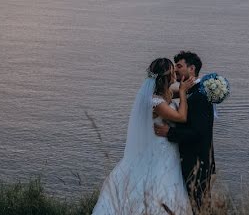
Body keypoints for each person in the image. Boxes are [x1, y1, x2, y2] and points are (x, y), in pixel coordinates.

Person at [92, 58, 196, 215]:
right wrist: (181, 92)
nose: (175, 73)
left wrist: (197, 83)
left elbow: (176, 93)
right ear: (165, 77)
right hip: (160, 150)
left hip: (166, 148)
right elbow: (181, 117)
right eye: (172, 71)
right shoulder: (155, 102)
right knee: (160, 183)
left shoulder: (164, 95)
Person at [154, 51, 215, 211]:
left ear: (192, 68)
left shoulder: (199, 96)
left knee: (198, 207)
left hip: (196, 162)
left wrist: (170, 133)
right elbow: (163, 96)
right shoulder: (189, 91)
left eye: (179, 66)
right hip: (185, 161)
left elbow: (198, 133)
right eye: (174, 67)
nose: (175, 70)